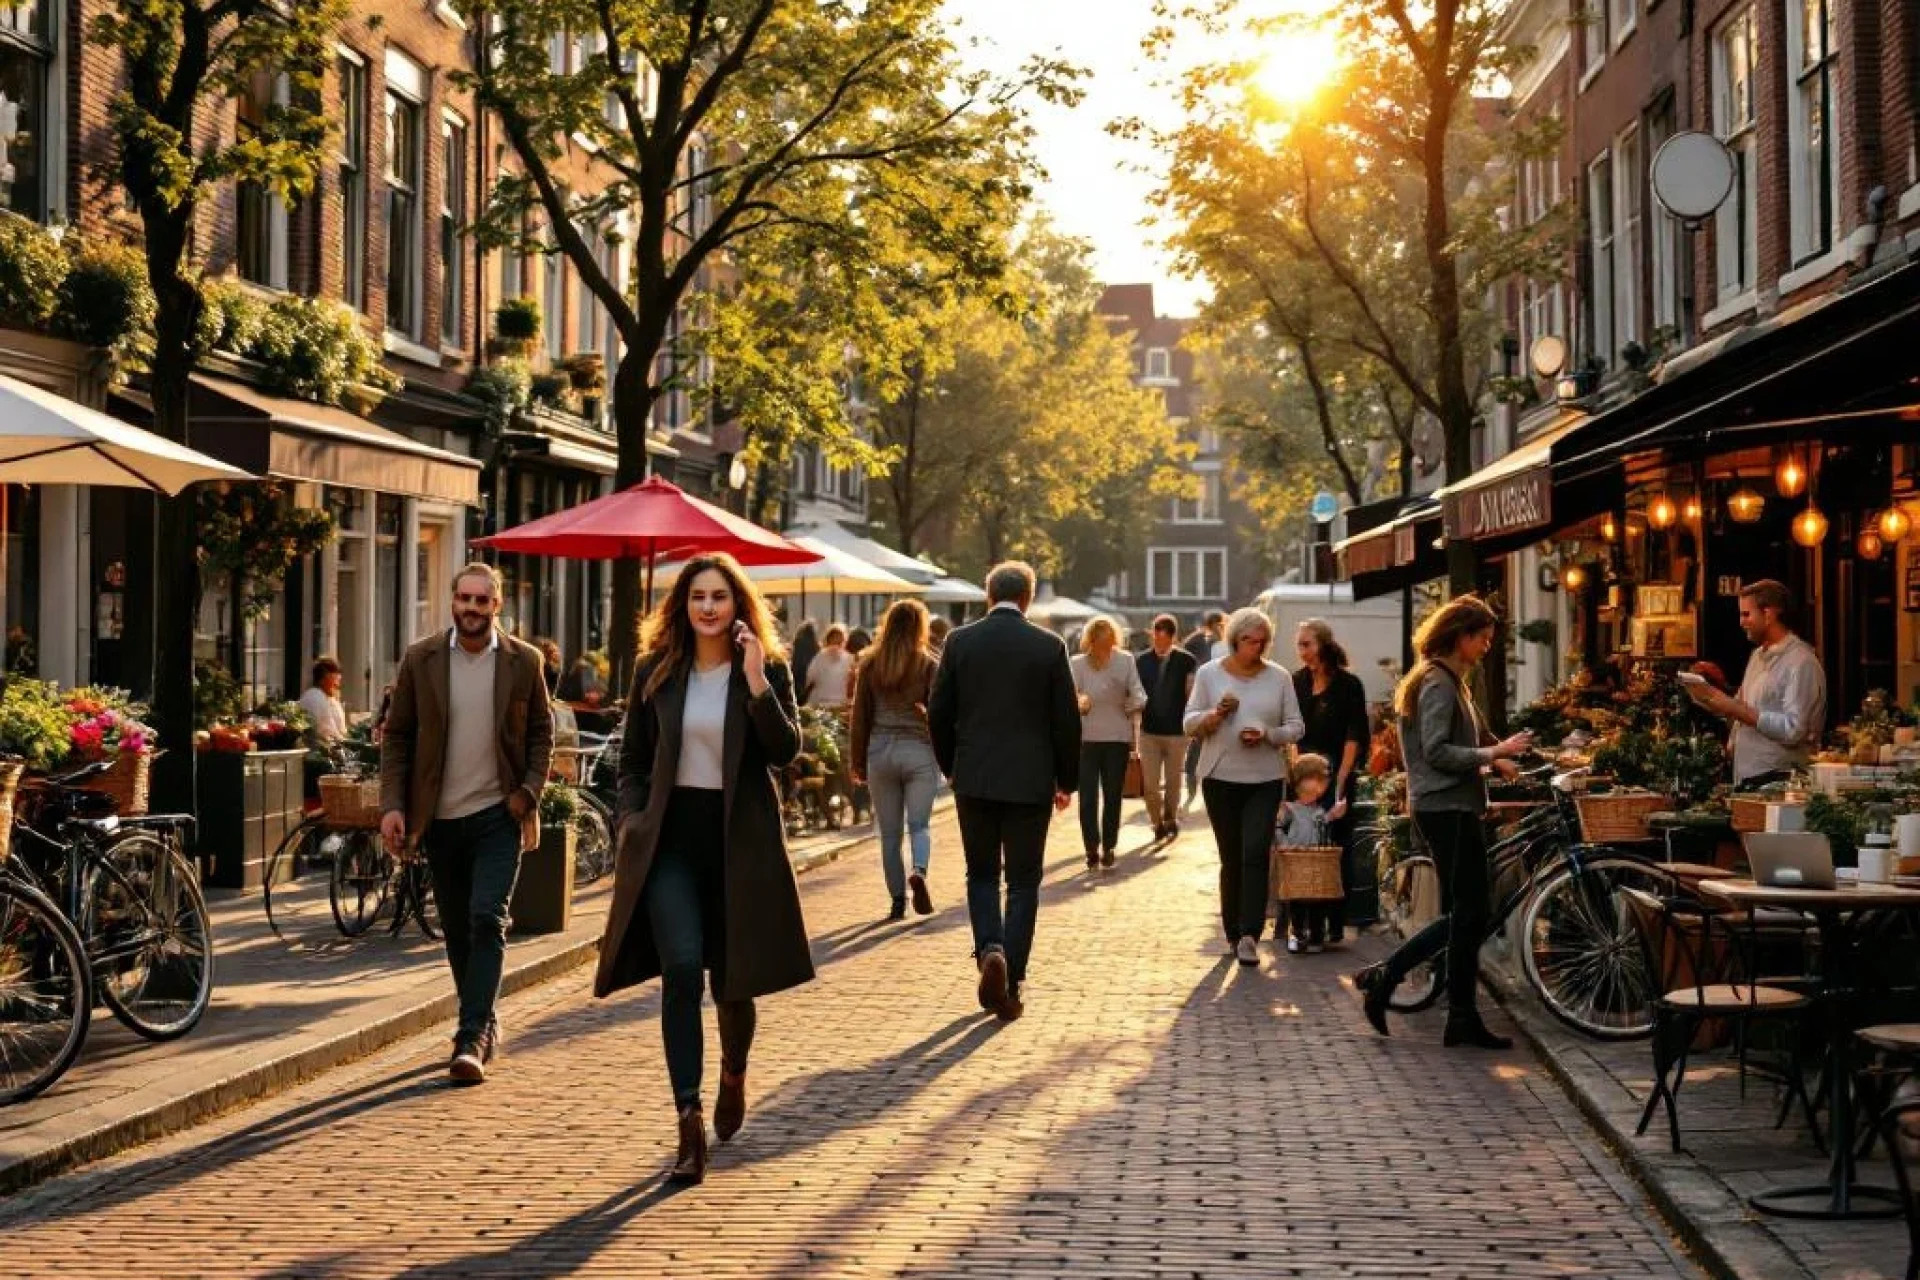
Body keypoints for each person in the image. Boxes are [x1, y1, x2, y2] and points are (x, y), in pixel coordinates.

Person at [591, 552, 811, 1186]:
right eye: (697, 597)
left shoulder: (764, 667)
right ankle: (688, 1121)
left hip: (737, 842)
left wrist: (757, 680)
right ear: (682, 607)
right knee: (682, 969)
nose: (708, 607)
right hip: (670, 843)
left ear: (738, 605)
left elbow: (783, 750)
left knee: (732, 984)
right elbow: (632, 759)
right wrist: (633, 819)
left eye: (719, 596)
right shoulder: (655, 672)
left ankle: (734, 1073)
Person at [379, 563, 554, 1085]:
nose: (472, 609)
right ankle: (483, 1015)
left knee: (486, 918)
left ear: (497, 606)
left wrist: (527, 795)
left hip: (499, 815)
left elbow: (542, 736)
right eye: (464, 599)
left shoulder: (526, 662)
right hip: (440, 819)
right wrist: (393, 804)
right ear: (452, 601)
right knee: (457, 929)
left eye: (482, 601)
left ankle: (470, 1034)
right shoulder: (422, 658)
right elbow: (398, 737)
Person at [1354, 595, 1532, 1050]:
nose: (1487, 647)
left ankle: (1461, 1016)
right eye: (1483, 639)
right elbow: (1435, 751)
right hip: (1445, 807)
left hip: (1450, 804)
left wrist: (1497, 761)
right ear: (1461, 636)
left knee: (1467, 914)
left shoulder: (1449, 680)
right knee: (1472, 912)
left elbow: (1455, 743)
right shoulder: (1438, 682)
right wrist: (1494, 755)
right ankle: (1390, 978)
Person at [929, 561, 1080, 1022]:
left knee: (980, 875)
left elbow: (938, 711)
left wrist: (951, 766)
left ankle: (989, 948)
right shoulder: (1049, 646)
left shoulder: (959, 642)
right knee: (1023, 880)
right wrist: (1066, 780)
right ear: (1028, 598)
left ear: (987, 594)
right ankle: (1010, 975)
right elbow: (1066, 721)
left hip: (974, 775)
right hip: (1030, 780)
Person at [1184, 607, 1305, 966]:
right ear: (1234, 640)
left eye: (1262, 641)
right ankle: (1233, 931)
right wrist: (1215, 716)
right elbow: (1189, 722)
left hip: (1264, 777)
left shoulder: (1279, 677)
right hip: (1220, 776)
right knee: (1231, 855)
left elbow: (1296, 726)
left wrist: (1269, 735)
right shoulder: (1209, 674)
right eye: (1249, 641)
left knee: (1255, 852)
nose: (1257, 647)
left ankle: (1251, 934)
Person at [1685, 579, 1827, 787]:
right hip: (1748, 779)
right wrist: (1706, 696)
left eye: (1746, 614)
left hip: (1778, 782)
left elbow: (1794, 730)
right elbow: (1739, 707)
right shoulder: (1757, 656)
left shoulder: (1801, 662)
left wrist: (1737, 709)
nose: (1741, 623)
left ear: (1768, 614)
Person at [850, 599, 942, 920]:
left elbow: (859, 717)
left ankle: (897, 901)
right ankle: (918, 869)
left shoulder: (870, 664)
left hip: (879, 751)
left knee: (889, 834)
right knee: (919, 825)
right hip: (918, 750)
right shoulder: (927, 665)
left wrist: (857, 762)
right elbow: (942, 713)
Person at [1291, 618, 1370, 948]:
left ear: (1322, 644)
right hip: (1302, 775)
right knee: (1302, 847)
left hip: (1336, 771)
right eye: (1299, 644)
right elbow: (1291, 728)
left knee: (1334, 847)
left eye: (1307, 643)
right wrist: (1294, 773)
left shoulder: (1348, 684)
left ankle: (1334, 922)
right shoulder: (1296, 682)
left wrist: (1340, 778)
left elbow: (1355, 733)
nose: (1302, 650)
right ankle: (1305, 924)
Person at [1070, 616, 1148, 869]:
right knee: (1088, 798)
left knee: (1113, 795)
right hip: (1085, 738)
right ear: (1090, 641)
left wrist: (1129, 703)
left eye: (1109, 643)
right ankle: (1091, 847)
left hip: (1116, 737)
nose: (1105, 648)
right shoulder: (1078, 663)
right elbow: (1069, 693)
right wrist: (1079, 701)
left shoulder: (1125, 661)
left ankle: (1109, 846)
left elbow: (1139, 694)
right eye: (1100, 643)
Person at [1134, 614, 1198, 841]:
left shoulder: (1187, 660)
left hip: (1176, 733)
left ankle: (1170, 817)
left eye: (1163, 637)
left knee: (1173, 781)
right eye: (1155, 635)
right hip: (1148, 732)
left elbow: (1191, 693)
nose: (1158, 641)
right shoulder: (1140, 661)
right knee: (1150, 785)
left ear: (1172, 637)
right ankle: (1156, 822)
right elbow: (1134, 692)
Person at [1276, 753, 1335, 953]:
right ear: (1301, 780)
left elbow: (1322, 827)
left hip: (1316, 861)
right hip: (1296, 861)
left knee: (1318, 899)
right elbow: (1277, 828)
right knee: (1297, 900)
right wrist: (1285, 845)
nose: (1321, 785)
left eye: (1323, 780)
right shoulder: (1289, 809)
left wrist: (1331, 816)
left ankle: (1317, 935)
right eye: (1316, 779)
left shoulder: (1319, 809)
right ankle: (1298, 933)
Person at [1181, 610, 1228, 809]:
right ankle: (1196, 794)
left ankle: (1194, 794)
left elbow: (1188, 678)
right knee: (1199, 753)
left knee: (1196, 754)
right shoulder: (1221, 646)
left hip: (1209, 707)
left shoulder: (1195, 642)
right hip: (1213, 707)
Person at [298, 656, 349, 747]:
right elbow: (330, 733)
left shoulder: (329, 699)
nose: (338, 685)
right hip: (322, 752)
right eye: (334, 681)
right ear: (323, 678)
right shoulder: (315, 697)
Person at [803, 624, 855, 709]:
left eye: (838, 642)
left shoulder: (849, 659)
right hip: (822, 702)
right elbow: (809, 678)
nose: (835, 646)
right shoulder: (819, 657)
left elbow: (809, 678)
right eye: (834, 641)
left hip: (837, 704)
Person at [790, 620, 821, 701]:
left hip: (797, 672)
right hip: (809, 674)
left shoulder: (797, 641)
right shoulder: (816, 645)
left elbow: (794, 659)